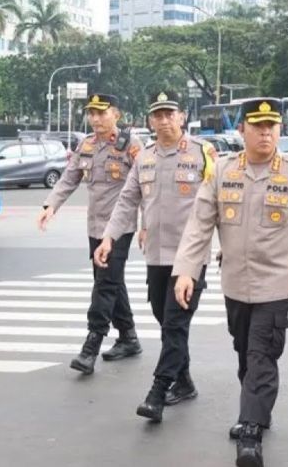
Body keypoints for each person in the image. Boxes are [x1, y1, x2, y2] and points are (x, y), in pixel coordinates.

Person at [171, 98, 288, 467]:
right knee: (245, 354)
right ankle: (257, 407)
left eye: (271, 126)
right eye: (257, 126)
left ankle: (250, 431)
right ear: (241, 130)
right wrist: (186, 271)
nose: (265, 132)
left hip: (274, 286)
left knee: (262, 355)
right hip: (234, 285)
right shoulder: (222, 170)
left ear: (279, 129)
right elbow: (199, 225)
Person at [94, 91, 216, 422]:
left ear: (181, 117)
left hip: (190, 258)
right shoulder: (144, 157)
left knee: (175, 324)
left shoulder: (203, 154)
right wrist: (109, 237)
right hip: (157, 257)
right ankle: (185, 380)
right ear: (150, 120)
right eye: (157, 115)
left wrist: (226, 251)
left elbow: (221, 204)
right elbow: (126, 202)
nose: (163, 120)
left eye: (169, 114)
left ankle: (158, 391)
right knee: (166, 322)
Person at [38, 93, 143, 375]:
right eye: (92, 113)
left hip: (120, 227)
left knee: (105, 284)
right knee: (109, 279)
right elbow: (69, 178)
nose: (95, 119)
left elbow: (147, 186)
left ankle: (91, 345)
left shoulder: (131, 146)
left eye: (101, 113)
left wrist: (147, 226)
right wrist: (51, 205)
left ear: (116, 114)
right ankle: (129, 336)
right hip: (95, 226)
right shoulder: (86, 145)